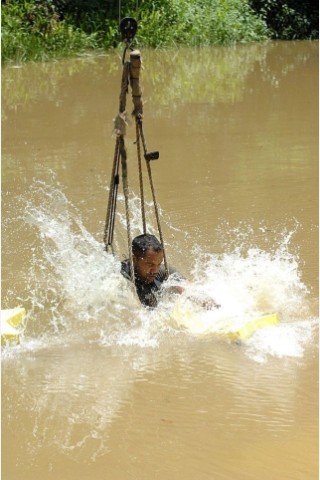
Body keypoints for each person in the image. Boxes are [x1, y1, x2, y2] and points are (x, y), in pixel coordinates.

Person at [121, 233, 219, 309]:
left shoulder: (162, 271)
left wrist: (211, 306)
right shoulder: (121, 277)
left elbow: (189, 289)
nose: (155, 270)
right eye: (150, 264)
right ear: (134, 260)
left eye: (159, 264)